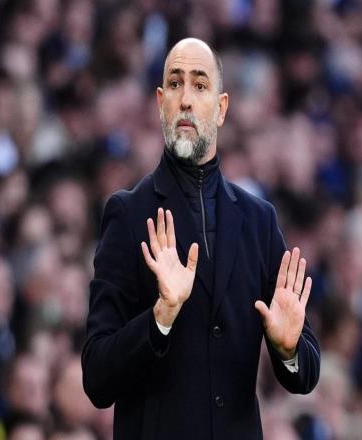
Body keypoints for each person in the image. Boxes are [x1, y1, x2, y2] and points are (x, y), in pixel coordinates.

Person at [81, 38, 320, 439]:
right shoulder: (129, 214)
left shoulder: (259, 221)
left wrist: (289, 349)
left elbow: (307, 373)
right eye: (175, 84)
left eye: (200, 85)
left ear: (221, 108)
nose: (186, 100)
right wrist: (161, 316)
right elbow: (97, 376)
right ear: (161, 103)